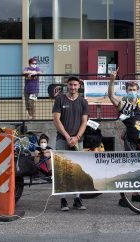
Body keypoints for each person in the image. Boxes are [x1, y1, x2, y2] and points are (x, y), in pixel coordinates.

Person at [108, 67, 140, 207]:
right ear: (126, 91)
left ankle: (138, 195)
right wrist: (112, 81)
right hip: (130, 140)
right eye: (130, 89)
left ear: (138, 90)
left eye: (134, 89)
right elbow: (111, 96)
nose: (132, 92)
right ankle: (125, 196)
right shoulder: (123, 103)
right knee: (130, 167)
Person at [52, 76, 89, 211]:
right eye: (70, 85)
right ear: (67, 85)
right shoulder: (60, 99)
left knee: (77, 170)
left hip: (78, 140)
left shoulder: (83, 102)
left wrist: (77, 137)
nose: (72, 87)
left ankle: (77, 199)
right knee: (61, 170)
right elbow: (56, 120)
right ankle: (63, 200)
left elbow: (84, 121)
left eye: (75, 85)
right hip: (62, 140)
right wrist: (68, 137)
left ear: (78, 86)